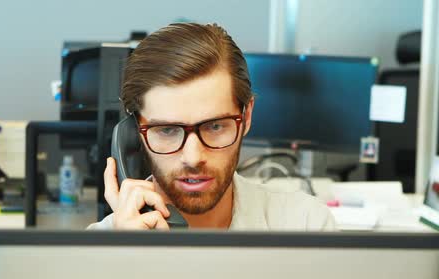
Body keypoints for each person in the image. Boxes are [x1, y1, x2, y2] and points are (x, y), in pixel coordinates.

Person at [88, 23, 335, 231]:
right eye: (167, 130)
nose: (193, 158)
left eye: (215, 126)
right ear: (133, 134)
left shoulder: (306, 224)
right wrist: (124, 256)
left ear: (246, 116)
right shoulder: (96, 247)